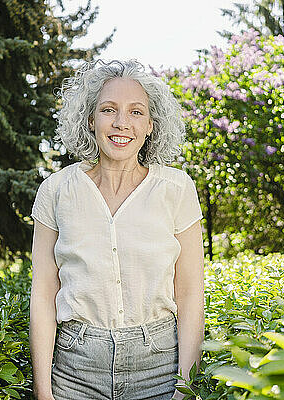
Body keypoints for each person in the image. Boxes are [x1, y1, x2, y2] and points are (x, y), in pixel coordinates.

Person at [29, 59, 205, 400]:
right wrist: (43, 390)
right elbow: (43, 294)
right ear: (91, 120)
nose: (121, 123)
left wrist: (186, 385)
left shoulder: (177, 189)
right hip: (74, 371)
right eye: (109, 110)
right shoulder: (56, 191)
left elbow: (189, 294)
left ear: (152, 124)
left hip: (158, 371)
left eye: (136, 112)